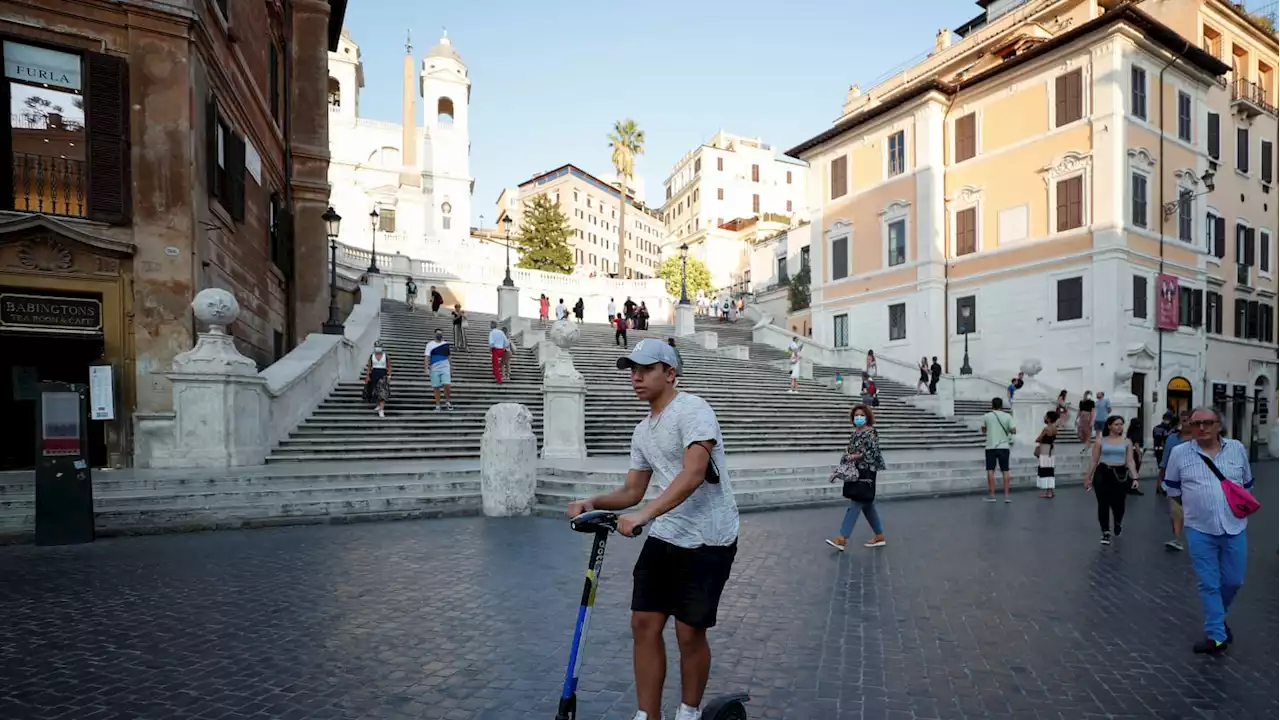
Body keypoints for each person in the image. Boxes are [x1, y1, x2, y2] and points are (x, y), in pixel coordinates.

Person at [566, 339, 739, 720]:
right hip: (668, 532)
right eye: (632, 370)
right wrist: (592, 502)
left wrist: (645, 515)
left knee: (688, 632)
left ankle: (688, 713)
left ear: (670, 373)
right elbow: (633, 490)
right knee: (644, 622)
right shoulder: (643, 430)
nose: (636, 377)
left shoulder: (693, 410)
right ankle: (648, 716)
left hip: (709, 536)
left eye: (645, 369)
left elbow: (693, 474)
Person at [1163, 407, 1255, 654]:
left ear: (1218, 425)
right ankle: (1216, 635)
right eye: (1195, 424)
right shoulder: (1180, 453)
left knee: (1234, 580)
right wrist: (1196, 507)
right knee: (1209, 583)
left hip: (1234, 526)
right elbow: (1172, 488)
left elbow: (1247, 483)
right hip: (1199, 528)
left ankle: (1218, 616)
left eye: (1207, 423)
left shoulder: (1236, 448)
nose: (1201, 428)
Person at [826, 404, 888, 550]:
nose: (858, 417)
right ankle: (879, 535)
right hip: (855, 472)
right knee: (867, 505)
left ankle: (842, 538)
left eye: (861, 415)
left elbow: (872, 452)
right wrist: (839, 469)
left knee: (855, 503)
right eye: (856, 415)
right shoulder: (854, 433)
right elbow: (847, 452)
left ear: (867, 417)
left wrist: (856, 456)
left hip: (867, 472)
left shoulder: (871, 432)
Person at [1085, 416, 1139, 545]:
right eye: (1116, 424)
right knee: (1103, 503)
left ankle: (1117, 522)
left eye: (1121, 424)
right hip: (1103, 472)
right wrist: (1088, 477)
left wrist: (1135, 477)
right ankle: (1105, 531)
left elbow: (1130, 460)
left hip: (1119, 473)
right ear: (1109, 426)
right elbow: (1094, 460)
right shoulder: (1100, 441)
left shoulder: (1127, 442)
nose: (1119, 427)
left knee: (1119, 503)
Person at [1158, 410, 1193, 551]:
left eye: (1189, 420)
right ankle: (1177, 538)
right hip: (1175, 481)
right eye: (1183, 420)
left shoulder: (1201, 440)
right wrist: (1160, 479)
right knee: (1175, 511)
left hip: (1196, 481)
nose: (1186, 423)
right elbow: (1165, 460)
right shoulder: (1172, 439)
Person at [981, 397, 1017, 503]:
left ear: (992, 405)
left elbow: (983, 430)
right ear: (1001, 406)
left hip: (991, 446)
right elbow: (1014, 430)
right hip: (1004, 446)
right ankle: (1006, 496)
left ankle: (992, 496)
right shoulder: (1007, 416)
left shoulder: (987, 416)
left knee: (990, 470)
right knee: (1005, 470)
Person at [423, 328, 453, 411]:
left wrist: (451, 368)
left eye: (441, 333)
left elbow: (449, 356)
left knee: (447, 384)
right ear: (434, 334)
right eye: (438, 333)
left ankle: (448, 401)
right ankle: (438, 404)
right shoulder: (430, 344)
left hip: (445, 366)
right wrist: (426, 368)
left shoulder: (445, 344)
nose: (439, 335)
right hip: (434, 367)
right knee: (436, 387)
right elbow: (427, 357)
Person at [364, 341, 392, 418]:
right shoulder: (372, 356)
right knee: (375, 391)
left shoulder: (385, 356)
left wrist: (389, 376)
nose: (378, 348)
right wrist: (368, 376)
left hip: (383, 374)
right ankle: (378, 405)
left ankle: (381, 410)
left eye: (379, 346)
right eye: (377, 346)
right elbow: (369, 367)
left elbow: (389, 366)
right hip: (374, 373)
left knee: (382, 392)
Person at [1035, 411, 1058, 498]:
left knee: (1045, 470)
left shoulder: (1046, 429)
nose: (1044, 417)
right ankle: (1051, 490)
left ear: (1048, 418)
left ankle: (1048, 492)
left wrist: (1038, 439)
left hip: (1045, 449)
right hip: (1051, 450)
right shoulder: (1055, 428)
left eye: (1045, 416)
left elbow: (1039, 439)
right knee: (1050, 469)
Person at [1152, 411, 1176, 492]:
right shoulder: (1170, 429)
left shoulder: (1156, 428)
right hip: (1166, 450)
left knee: (1161, 468)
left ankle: (1160, 486)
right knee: (1167, 469)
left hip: (1157, 449)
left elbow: (1155, 438)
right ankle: (1163, 487)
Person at [1126, 417, 1146, 495]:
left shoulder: (1129, 432)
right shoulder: (1137, 432)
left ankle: (1129, 487)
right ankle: (1133, 488)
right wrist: (1140, 455)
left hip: (1129, 452)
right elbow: (1136, 444)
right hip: (1135, 453)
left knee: (1131, 471)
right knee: (1135, 471)